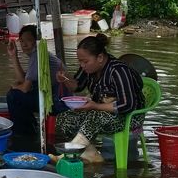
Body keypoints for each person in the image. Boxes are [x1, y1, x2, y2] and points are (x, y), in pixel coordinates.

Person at [54, 33, 144, 163]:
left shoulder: (119, 71)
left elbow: (127, 105)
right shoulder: (88, 69)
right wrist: (65, 79)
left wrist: (94, 106)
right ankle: (91, 153)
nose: (82, 65)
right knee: (64, 118)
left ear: (100, 57)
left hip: (130, 117)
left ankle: (71, 153)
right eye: (80, 61)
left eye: (85, 61)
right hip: (101, 113)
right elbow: (77, 86)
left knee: (94, 116)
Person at [5, 25, 67, 136]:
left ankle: (23, 134)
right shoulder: (38, 55)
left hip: (57, 102)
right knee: (16, 92)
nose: (24, 44)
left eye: (28, 40)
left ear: (36, 41)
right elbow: (22, 80)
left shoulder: (37, 55)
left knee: (13, 95)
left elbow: (25, 88)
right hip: (54, 98)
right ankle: (31, 128)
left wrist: (14, 87)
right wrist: (13, 56)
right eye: (22, 41)